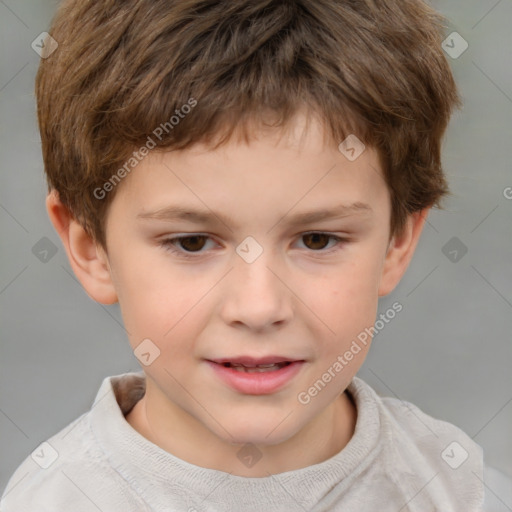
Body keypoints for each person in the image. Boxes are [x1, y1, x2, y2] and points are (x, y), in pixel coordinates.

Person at [1, 0, 509, 510]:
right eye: (192, 242)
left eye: (317, 240)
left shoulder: (459, 490)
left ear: (397, 242)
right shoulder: (52, 500)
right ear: (92, 249)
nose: (260, 307)